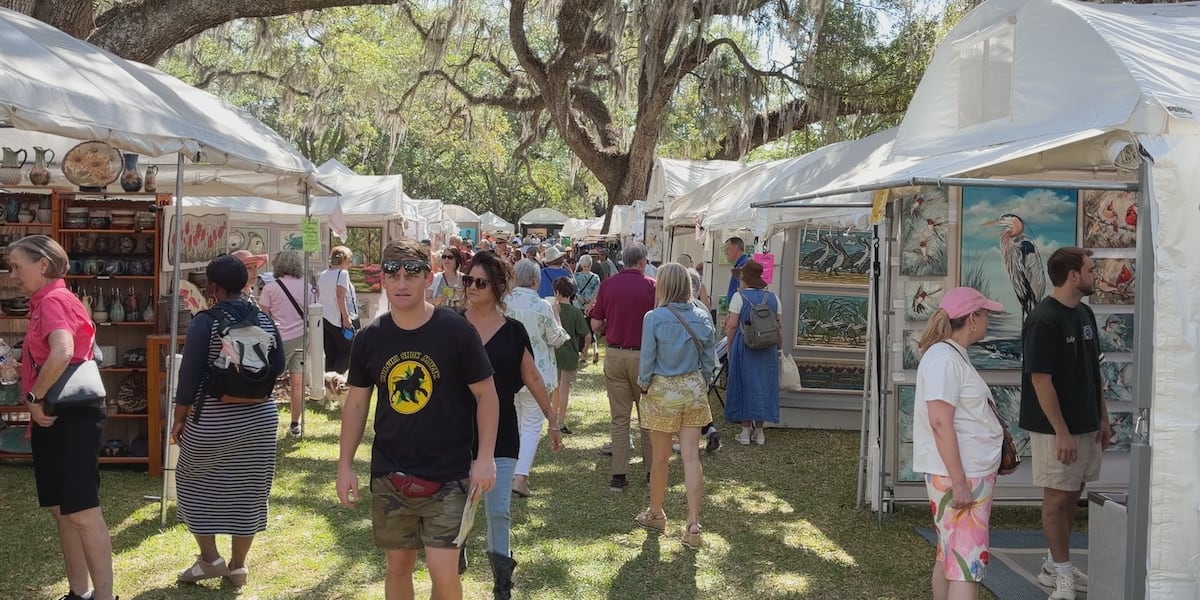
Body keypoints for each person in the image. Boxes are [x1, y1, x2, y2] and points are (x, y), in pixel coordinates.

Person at [336, 239, 499, 600]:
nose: (402, 282)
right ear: (383, 280)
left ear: (429, 276)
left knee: (444, 574)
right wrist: (345, 464)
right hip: (391, 473)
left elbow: (487, 395)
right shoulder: (369, 338)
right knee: (398, 568)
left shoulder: (456, 331)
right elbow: (357, 405)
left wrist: (485, 457)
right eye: (393, 273)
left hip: (449, 473)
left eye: (412, 273)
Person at [10, 235, 116, 600]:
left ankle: (102, 596)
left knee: (83, 511)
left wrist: (34, 396)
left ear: (42, 264)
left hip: (70, 417)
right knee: (63, 511)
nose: (12, 275)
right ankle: (79, 592)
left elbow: (63, 350)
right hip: (57, 416)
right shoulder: (46, 301)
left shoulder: (54, 299)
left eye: (16, 266)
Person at [172, 255, 285, 589]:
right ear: (247, 284)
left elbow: (189, 375)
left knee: (192, 483)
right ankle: (238, 567)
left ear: (213, 286)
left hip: (212, 420)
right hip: (261, 419)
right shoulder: (264, 320)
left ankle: (209, 559)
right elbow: (276, 364)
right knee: (250, 490)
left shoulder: (205, 321)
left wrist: (179, 418)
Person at [460, 251, 560, 599]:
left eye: (480, 282)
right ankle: (454, 559)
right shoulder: (453, 325)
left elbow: (531, 375)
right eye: (467, 280)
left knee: (498, 510)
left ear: (498, 287)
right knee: (456, 509)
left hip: (501, 433)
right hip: (454, 435)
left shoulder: (513, 331)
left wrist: (553, 420)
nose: (471, 287)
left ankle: (502, 584)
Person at [1020, 247, 1107, 600]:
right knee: (1056, 499)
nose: (1094, 274)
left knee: (1073, 494)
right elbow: (1041, 380)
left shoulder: (1085, 313)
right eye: (1090, 269)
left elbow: (1095, 370)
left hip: (1086, 424)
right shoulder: (1043, 318)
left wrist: (1102, 417)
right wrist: (1061, 431)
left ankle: (1056, 566)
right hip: (1054, 429)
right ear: (1073, 275)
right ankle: (1062, 576)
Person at [913, 287, 1005, 600]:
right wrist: (960, 481)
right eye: (986, 313)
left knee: (950, 555)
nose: (989, 320)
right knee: (968, 565)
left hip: (963, 472)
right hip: (962, 475)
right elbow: (940, 421)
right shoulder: (944, 359)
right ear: (973, 318)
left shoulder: (946, 355)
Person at [635, 263, 717, 549]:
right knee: (691, 457)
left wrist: (644, 384)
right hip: (693, 388)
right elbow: (710, 360)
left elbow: (647, 359)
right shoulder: (702, 316)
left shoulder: (654, 317)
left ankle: (657, 512)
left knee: (660, 458)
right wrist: (700, 382)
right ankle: (693, 524)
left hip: (662, 390)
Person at [590, 243, 656, 492]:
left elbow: (596, 323)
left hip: (616, 354)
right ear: (642, 261)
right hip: (644, 357)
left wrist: (609, 327)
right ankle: (651, 472)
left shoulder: (608, 284)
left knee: (619, 418)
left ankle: (619, 474)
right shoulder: (652, 286)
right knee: (647, 416)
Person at [505, 259, 570, 497]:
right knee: (531, 425)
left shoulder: (504, 302)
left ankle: (514, 471)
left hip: (508, 371)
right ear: (535, 281)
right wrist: (558, 317)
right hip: (536, 373)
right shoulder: (541, 305)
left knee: (518, 422)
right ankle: (520, 476)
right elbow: (556, 338)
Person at [723, 260, 780, 445]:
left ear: (745, 279)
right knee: (764, 386)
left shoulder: (739, 298)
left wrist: (730, 347)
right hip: (768, 348)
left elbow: (732, 325)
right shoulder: (773, 298)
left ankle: (745, 431)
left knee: (743, 384)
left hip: (744, 345)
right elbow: (779, 325)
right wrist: (779, 347)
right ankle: (760, 432)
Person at [258, 250, 313, 436]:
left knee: (268, 381)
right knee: (297, 383)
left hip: (278, 339)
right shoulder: (306, 286)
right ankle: (295, 424)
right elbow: (312, 312)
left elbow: (264, 317)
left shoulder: (269, 288)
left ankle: (264, 422)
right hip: (301, 337)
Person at [686, 267, 721, 453]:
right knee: (698, 402)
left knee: (688, 407)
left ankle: (688, 440)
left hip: (690, 364)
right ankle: (710, 430)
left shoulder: (682, 308)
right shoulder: (704, 309)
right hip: (706, 362)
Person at [551, 277, 590, 434]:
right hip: (569, 355)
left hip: (554, 355)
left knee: (556, 389)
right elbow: (586, 335)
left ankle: (553, 418)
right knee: (564, 390)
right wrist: (585, 349)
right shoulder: (575, 312)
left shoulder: (551, 309)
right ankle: (560, 422)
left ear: (557, 292)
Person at [317, 245, 358, 373]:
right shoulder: (342, 273)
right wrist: (346, 318)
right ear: (344, 259)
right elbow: (341, 296)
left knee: (331, 354)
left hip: (325, 319)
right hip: (338, 319)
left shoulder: (323, 275)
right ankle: (338, 381)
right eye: (350, 260)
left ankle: (329, 383)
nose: (350, 264)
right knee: (347, 353)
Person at [573, 255, 602, 365]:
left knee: (581, 331)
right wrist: (589, 304)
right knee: (591, 329)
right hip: (591, 307)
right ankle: (595, 350)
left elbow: (576, 292)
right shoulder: (595, 277)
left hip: (578, 306)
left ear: (580, 264)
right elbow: (596, 293)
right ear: (591, 264)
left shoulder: (576, 276)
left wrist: (583, 302)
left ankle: (583, 354)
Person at [724, 237, 749, 303]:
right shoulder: (740, 264)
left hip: (739, 307)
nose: (726, 252)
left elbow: (741, 290)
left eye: (728, 249)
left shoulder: (743, 265)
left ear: (736, 247)